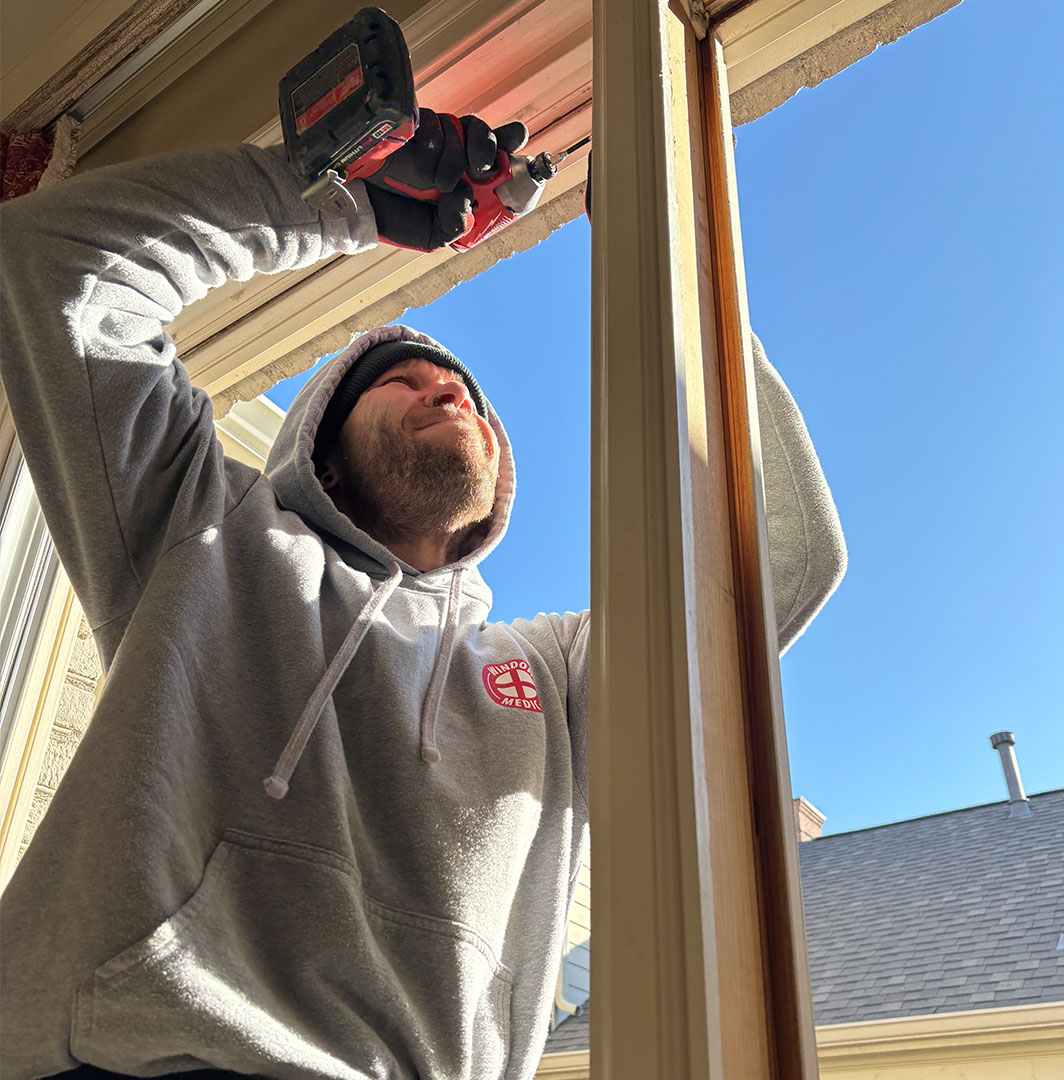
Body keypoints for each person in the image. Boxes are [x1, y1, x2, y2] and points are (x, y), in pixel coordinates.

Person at [0, 109, 846, 1079]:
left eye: (469, 398)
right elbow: (58, 260)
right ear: (320, 441)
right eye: (402, 381)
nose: (449, 394)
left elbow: (785, 561)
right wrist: (346, 203)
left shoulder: (553, 677)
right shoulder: (204, 532)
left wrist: (680, 270)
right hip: (130, 1056)